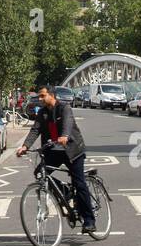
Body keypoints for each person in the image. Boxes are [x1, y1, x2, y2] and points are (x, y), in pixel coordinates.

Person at [16, 85, 95, 233]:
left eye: (42, 96)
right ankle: (65, 191)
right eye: (39, 96)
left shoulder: (64, 108)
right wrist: (25, 146)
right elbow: (35, 129)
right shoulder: (43, 113)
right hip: (54, 150)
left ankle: (89, 220)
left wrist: (64, 135)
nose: (40, 99)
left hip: (72, 150)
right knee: (40, 173)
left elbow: (68, 122)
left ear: (52, 95)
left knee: (79, 183)